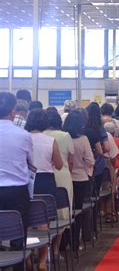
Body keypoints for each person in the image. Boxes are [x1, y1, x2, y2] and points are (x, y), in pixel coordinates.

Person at [25, 108, 63, 270]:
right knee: (43, 224)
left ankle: (27, 258)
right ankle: (42, 261)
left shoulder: (24, 138)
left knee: (27, 223)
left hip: (28, 181)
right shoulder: (50, 141)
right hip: (46, 181)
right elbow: (60, 165)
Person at [0, 92, 33, 270]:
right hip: (17, 191)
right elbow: (31, 162)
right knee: (19, 236)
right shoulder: (23, 135)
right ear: (13, 111)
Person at [43, 109, 75, 260]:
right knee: (63, 213)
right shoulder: (65, 135)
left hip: (44, 175)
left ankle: (42, 250)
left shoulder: (40, 135)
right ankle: (55, 250)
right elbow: (70, 160)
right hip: (63, 174)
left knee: (43, 213)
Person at [63, 110, 95, 251]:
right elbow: (90, 160)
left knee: (66, 212)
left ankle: (63, 243)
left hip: (65, 179)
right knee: (78, 210)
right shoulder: (83, 139)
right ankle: (75, 242)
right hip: (81, 178)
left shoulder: (63, 138)